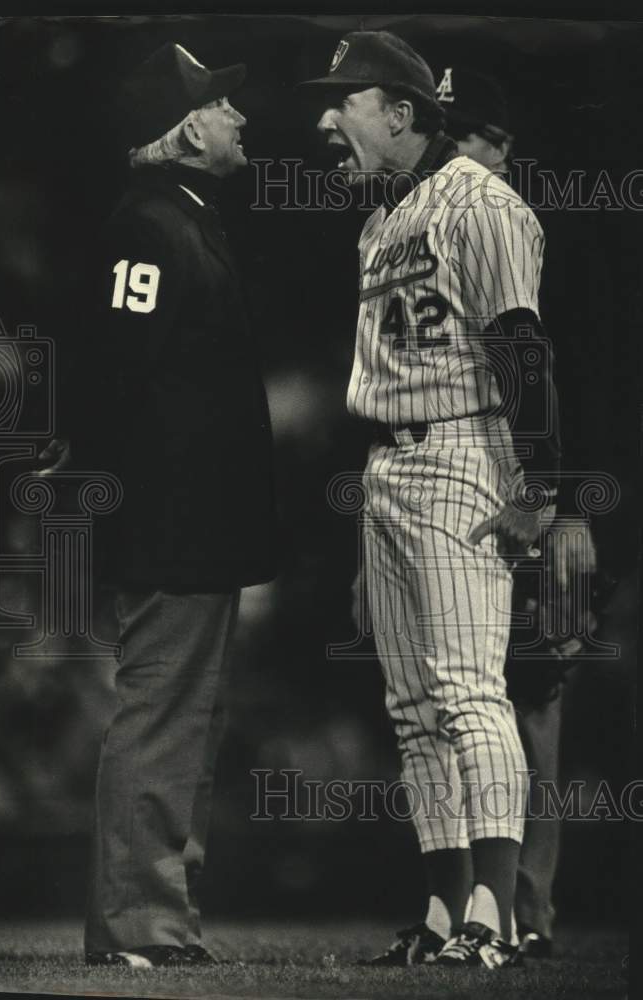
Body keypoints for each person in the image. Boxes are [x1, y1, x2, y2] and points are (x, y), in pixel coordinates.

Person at [300, 30, 561, 968]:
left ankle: (495, 912)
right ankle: (447, 913)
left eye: (346, 101)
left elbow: (525, 354)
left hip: (462, 448)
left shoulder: (483, 204)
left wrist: (543, 494)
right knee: (412, 706)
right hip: (388, 463)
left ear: (401, 114)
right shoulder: (384, 217)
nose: (327, 119)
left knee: (467, 693)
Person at [42, 42, 277, 967]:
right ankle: (137, 923)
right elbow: (111, 379)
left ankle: (163, 916)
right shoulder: (150, 226)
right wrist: (114, 507)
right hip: (170, 528)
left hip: (194, 530)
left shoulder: (183, 218)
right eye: (222, 105)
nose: (240, 117)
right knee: (161, 716)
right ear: (185, 129)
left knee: (188, 722)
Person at [436, 65, 597, 958]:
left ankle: (526, 913)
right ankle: (466, 909)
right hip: (467, 491)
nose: (449, 150)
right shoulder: (443, 232)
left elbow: (599, 380)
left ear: (497, 146)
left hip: (549, 505)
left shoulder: (534, 232)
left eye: (463, 135)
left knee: (530, 699)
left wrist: (577, 508)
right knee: (459, 698)